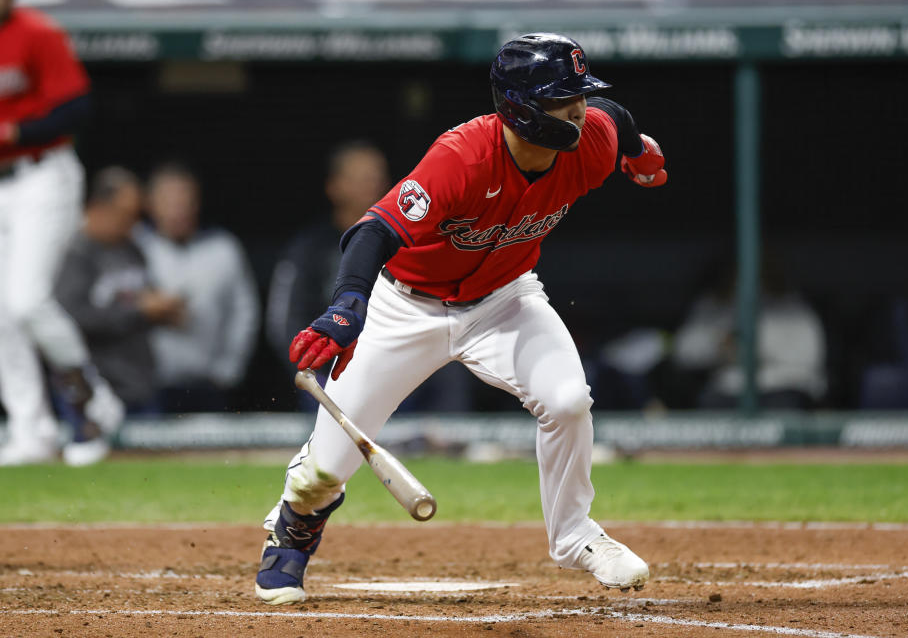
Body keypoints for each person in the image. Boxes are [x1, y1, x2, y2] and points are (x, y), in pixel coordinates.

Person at [254, 33, 669, 605]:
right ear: (520, 109)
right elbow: (373, 230)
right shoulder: (463, 157)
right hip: (407, 307)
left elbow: (613, 118)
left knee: (569, 399)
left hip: (505, 299)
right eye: (561, 99)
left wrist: (639, 153)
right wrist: (348, 306)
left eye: (578, 96)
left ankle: (575, 536)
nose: (577, 110)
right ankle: (294, 526)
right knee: (323, 472)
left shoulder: (589, 141)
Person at [0, 0, 125, 466]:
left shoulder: (37, 32)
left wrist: (17, 132)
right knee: (2, 313)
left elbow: (75, 107)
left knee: (27, 300)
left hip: (41, 174)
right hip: (2, 185)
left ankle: (94, 405)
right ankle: (30, 431)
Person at [266, 140, 475, 412]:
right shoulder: (309, 248)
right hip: (334, 377)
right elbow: (284, 321)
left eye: (378, 178)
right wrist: (313, 374)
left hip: (406, 374)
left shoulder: (414, 242)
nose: (373, 186)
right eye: (362, 178)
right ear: (334, 186)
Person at [55, 167, 186, 422]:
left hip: (140, 381)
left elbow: (144, 298)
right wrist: (139, 310)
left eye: (137, 216)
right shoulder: (75, 254)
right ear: (98, 207)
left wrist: (162, 310)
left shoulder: (133, 249)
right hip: (95, 388)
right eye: (126, 215)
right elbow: (70, 318)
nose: (133, 224)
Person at [134, 162, 260, 412]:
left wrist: (229, 369)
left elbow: (244, 312)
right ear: (150, 203)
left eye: (185, 200)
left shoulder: (223, 248)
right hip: (146, 388)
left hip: (209, 383)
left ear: (197, 203)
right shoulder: (132, 246)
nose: (177, 209)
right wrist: (145, 308)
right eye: (169, 200)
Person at [666, 254, 827, 409]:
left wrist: (755, 348)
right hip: (727, 390)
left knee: (785, 405)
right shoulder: (713, 305)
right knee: (708, 402)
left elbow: (810, 358)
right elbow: (682, 350)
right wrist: (717, 344)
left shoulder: (793, 307)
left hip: (781, 387)